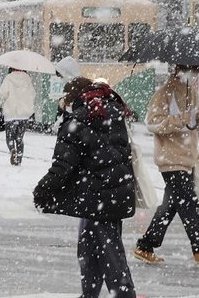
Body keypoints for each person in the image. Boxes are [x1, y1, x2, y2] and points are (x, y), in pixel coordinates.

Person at [33, 78, 137, 298]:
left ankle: (124, 295)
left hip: (99, 198)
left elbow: (63, 165)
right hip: (110, 195)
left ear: (73, 99)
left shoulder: (79, 121)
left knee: (111, 257)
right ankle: (89, 294)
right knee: (89, 250)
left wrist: (42, 190)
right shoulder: (110, 113)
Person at [134, 64, 199, 265]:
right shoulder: (164, 93)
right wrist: (181, 119)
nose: (195, 73)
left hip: (188, 157)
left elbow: (194, 128)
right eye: (192, 69)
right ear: (179, 69)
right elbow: (153, 123)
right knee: (188, 202)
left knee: (170, 206)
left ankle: (146, 245)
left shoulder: (192, 92)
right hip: (170, 159)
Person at [0, 68, 36, 165]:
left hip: (11, 113)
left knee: (9, 137)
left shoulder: (8, 78)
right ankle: (19, 159)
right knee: (19, 138)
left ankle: (12, 149)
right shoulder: (27, 78)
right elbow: (33, 94)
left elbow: (2, 94)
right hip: (24, 114)